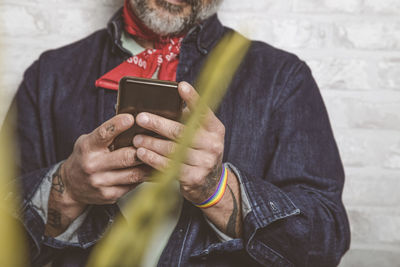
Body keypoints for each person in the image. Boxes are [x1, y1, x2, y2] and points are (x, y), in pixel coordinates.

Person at [1, 0, 351, 266]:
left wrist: (218, 191)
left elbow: (327, 241)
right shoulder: (48, 76)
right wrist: (68, 188)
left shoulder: (282, 78)